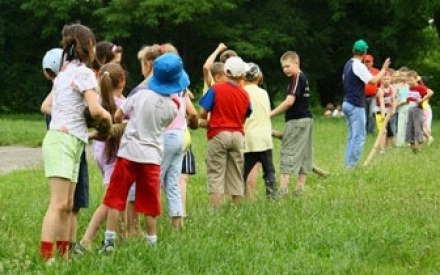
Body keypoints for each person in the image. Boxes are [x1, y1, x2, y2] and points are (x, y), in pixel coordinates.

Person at [98, 53, 187, 253]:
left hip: (128, 153)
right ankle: (151, 240)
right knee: (150, 201)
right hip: (152, 157)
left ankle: (109, 240)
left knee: (116, 196)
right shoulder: (174, 106)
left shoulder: (137, 96)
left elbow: (119, 116)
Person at [39, 23, 112, 263]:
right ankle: (47, 258)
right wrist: (108, 118)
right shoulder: (83, 73)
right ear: (89, 46)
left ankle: (64, 255)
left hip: (70, 139)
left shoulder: (65, 72)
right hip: (63, 141)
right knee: (59, 203)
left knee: (68, 203)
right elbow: (94, 109)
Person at [75, 62, 126, 253]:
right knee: (110, 200)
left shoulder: (98, 103)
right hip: (115, 156)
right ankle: (87, 240)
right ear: (122, 81)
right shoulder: (123, 105)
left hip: (101, 154)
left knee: (115, 197)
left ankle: (119, 234)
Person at [199, 56, 252, 208]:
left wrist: (206, 118)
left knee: (216, 172)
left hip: (218, 134)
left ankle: (215, 209)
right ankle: (236, 208)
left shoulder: (216, 88)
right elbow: (245, 116)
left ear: (226, 72)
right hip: (237, 135)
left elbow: (202, 112)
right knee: (236, 172)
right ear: (242, 75)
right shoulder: (245, 94)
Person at [342, 39, 390, 168]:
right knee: (359, 137)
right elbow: (373, 81)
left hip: (346, 102)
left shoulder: (348, 64)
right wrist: (384, 70)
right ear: (365, 52)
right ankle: (351, 167)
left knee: (352, 136)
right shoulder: (358, 65)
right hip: (355, 104)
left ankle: (348, 165)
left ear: (353, 50)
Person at [270, 51, 312, 195]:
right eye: (283, 67)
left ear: (296, 63)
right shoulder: (304, 78)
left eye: (287, 66)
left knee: (287, 151)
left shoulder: (296, 78)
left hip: (296, 121)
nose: (285, 69)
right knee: (305, 153)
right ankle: (300, 188)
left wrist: (271, 114)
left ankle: (283, 189)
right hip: (307, 120)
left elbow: (289, 102)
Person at [242, 63, 277, 200]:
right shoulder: (264, 93)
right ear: (258, 77)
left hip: (249, 137)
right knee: (269, 171)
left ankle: (238, 197)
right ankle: (272, 196)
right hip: (264, 138)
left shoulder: (242, 92)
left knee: (242, 172)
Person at [405, 71, 434, 153]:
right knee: (410, 130)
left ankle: (420, 149)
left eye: (410, 80)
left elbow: (431, 92)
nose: (409, 82)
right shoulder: (409, 88)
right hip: (410, 110)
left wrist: (422, 100)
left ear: (415, 79)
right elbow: (406, 99)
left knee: (418, 130)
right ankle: (414, 150)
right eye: (407, 80)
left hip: (418, 110)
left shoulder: (420, 87)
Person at [374, 72, 395, 152]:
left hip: (388, 112)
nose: (386, 81)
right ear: (381, 80)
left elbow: (393, 99)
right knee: (383, 131)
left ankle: (386, 147)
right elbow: (382, 103)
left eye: (388, 79)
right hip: (380, 112)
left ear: (391, 79)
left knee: (389, 131)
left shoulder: (391, 88)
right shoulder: (380, 90)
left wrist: (393, 109)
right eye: (384, 79)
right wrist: (383, 115)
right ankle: (381, 149)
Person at [363, 54, 380, 134]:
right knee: (364, 114)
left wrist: (379, 91)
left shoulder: (376, 71)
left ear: (372, 62)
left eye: (369, 62)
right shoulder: (361, 71)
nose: (367, 63)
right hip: (363, 95)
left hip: (373, 96)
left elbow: (381, 83)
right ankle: (365, 130)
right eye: (366, 61)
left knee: (371, 113)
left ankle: (370, 131)